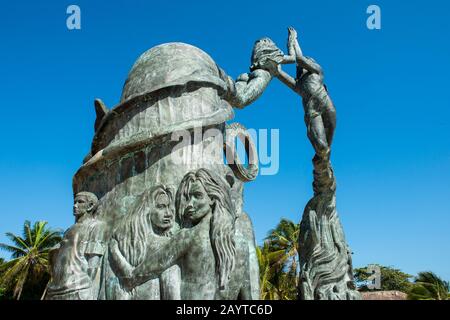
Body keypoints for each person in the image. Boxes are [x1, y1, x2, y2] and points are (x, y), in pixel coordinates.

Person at [112, 169, 254, 300]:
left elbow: (134, 276)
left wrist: (114, 250)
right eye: (187, 198)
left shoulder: (187, 237)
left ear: (213, 197)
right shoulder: (241, 245)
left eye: (197, 196)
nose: (189, 204)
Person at [270, 27, 337, 159]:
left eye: (309, 60)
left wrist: (293, 41)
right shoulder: (299, 85)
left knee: (327, 150)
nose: (306, 62)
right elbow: (278, 73)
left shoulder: (318, 71)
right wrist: (273, 64)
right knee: (322, 148)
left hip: (328, 107)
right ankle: (321, 162)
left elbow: (299, 59)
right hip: (313, 113)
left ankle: (324, 167)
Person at [107, 185, 180, 300]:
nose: (168, 214)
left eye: (169, 207)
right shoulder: (166, 245)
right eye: (161, 207)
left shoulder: (117, 245)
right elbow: (172, 292)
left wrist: (115, 252)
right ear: (146, 210)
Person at [46, 192, 108, 300]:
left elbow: (94, 263)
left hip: (79, 287)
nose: (75, 205)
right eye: (75, 202)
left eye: (80, 202)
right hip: (56, 287)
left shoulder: (96, 226)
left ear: (90, 206)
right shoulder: (68, 230)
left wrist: (91, 291)